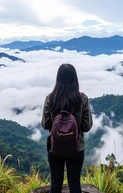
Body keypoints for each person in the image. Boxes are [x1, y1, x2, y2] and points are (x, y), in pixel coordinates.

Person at [41, 63, 93, 193]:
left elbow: (45, 124)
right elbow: (86, 126)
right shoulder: (82, 99)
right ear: (75, 79)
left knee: (55, 183)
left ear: (58, 79)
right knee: (75, 184)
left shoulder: (50, 98)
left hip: (55, 147)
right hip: (77, 148)